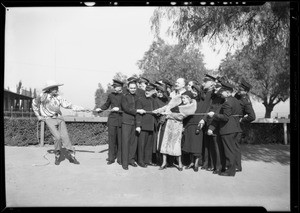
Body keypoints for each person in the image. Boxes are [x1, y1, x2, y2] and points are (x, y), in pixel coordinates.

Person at [32, 80, 87, 165]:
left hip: (59, 118)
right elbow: (34, 103)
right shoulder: (42, 96)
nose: (57, 89)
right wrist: (38, 115)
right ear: (50, 89)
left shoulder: (59, 97)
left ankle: (72, 155)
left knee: (65, 137)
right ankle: (57, 154)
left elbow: (68, 105)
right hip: (49, 119)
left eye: (57, 87)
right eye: (54, 87)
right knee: (57, 137)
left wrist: (81, 108)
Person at [154, 90, 197, 171]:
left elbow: (180, 116)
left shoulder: (189, 107)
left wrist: (167, 115)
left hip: (177, 125)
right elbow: (167, 107)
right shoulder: (178, 103)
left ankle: (180, 163)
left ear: (189, 99)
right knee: (165, 142)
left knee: (176, 144)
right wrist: (158, 111)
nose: (183, 100)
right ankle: (164, 163)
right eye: (182, 98)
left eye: (185, 98)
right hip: (169, 124)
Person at [207, 82, 243, 176]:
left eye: (222, 92)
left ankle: (230, 171)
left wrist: (214, 115)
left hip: (228, 130)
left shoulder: (227, 103)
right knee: (232, 150)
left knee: (229, 151)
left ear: (228, 92)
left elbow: (225, 117)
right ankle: (232, 169)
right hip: (235, 128)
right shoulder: (235, 101)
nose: (221, 93)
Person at [95, 79, 124, 165]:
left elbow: (127, 107)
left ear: (121, 87)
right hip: (112, 120)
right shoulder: (111, 95)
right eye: (114, 87)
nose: (115, 88)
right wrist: (100, 108)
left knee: (120, 140)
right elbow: (106, 105)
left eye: (116, 86)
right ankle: (111, 158)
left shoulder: (125, 96)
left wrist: (119, 109)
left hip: (121, 120)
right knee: (111, 140)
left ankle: (120, 158)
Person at [120, 79, 146, 170]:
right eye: (131, 88)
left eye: (134, 88)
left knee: (133, 143)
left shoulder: (138, 97)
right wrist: (137, 110)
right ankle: (125, 163)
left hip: (135, 123)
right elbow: (126, 108)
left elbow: (140, 110)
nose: (133, 89)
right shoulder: (124, 96)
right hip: (126, 122)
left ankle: (131, 160)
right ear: (128, 88)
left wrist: (138, 124)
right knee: (125, 143)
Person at [234, 78, 256, 172]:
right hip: (232, 124)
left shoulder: (245, 101)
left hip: (237, 126)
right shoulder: (238, 96)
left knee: (235, 146)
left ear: (246, 91)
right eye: (239, 88)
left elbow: (252, 116)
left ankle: (237, 166)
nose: (238, 90)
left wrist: (242, 119)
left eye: (241, 90)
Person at [204, 81, 226, 174]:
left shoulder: (222, 100)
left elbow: (217, 114)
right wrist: (204, 120)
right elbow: (208, 109)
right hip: (210, 123)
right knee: (213, 147)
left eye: (217, 88)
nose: (215, 89)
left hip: (216, 125)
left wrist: (212, 128)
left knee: (217, 147)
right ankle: (213, 165)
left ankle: (218, 167)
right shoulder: (214, 98)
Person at [136, 83, 157, 167]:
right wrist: (138, 125)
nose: (147, 92)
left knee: (149, 145)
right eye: (146, 90)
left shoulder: (153, 100)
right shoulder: (140, 100)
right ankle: (140, 161)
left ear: (153, 92)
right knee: (141, 145)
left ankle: (147, 160)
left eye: (149, 91)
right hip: (143, 126)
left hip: (151, 126)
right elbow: (138, 114)